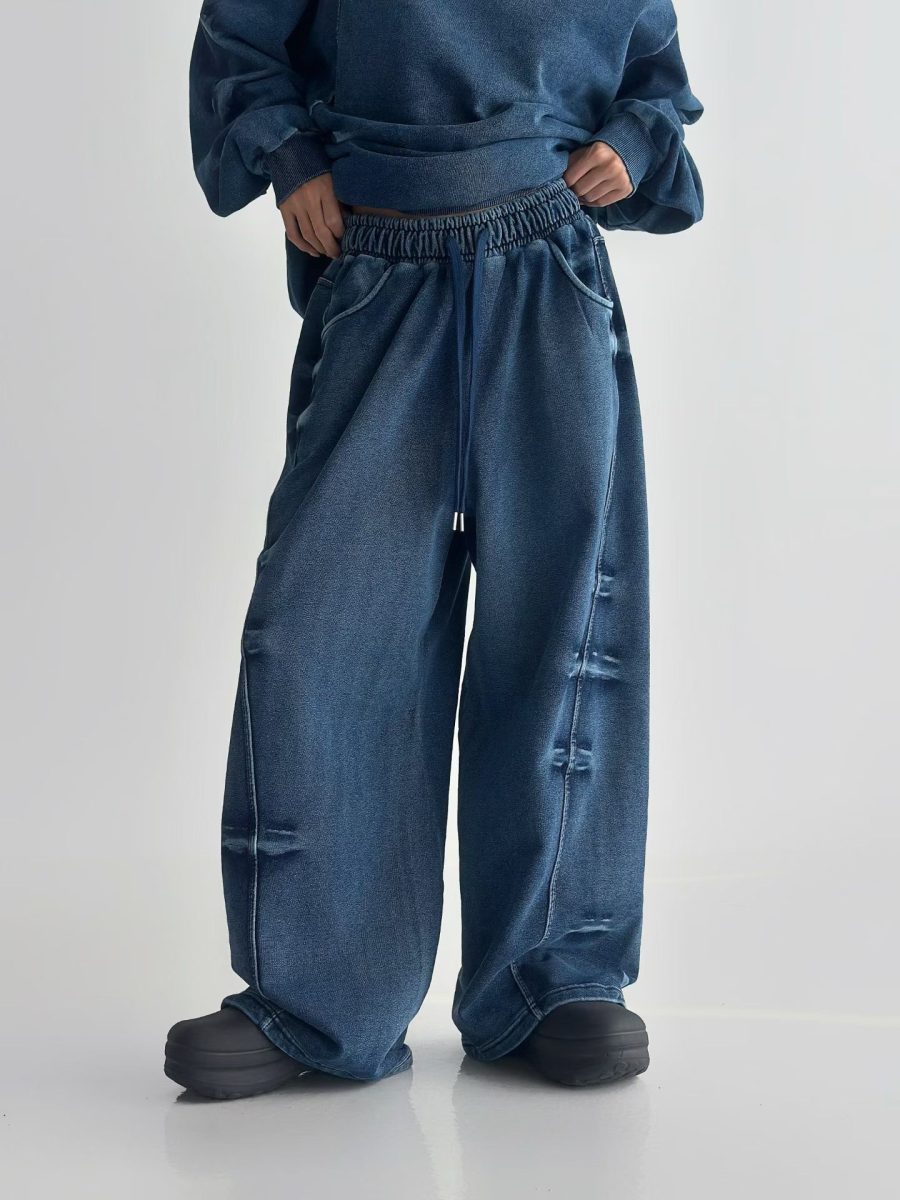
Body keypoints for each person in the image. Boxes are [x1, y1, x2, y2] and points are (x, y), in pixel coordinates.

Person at [165, 0, 703, 1099]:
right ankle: (318, 998)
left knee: (566, 627)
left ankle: (552, 978)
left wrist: (633, 144)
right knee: (320, 635)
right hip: (382, 259)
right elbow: (242, 38)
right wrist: (287, 156)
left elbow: (654, 73)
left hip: (548, 262)